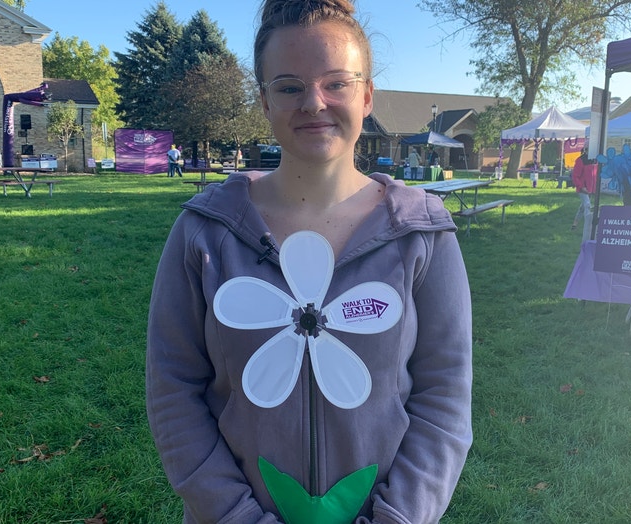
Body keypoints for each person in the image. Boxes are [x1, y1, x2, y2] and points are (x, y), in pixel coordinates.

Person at [146, 1, 473, 522]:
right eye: (290, 86)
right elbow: (172, 392)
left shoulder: (422, 234)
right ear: (264, 100)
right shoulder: (204, 231)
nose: (314, 103)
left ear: (366, 96)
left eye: (336, 83)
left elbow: (445, 401)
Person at [571, 146, 598, 242]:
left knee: (582, 207)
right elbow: (575, 176)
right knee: (587, 205)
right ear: (586, 150)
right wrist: (581, 186)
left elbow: (595, 174)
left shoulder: (595, 160)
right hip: (583, 188)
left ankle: (575, 223)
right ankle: (588, 226)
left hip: (590, 189)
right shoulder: (580, 160)